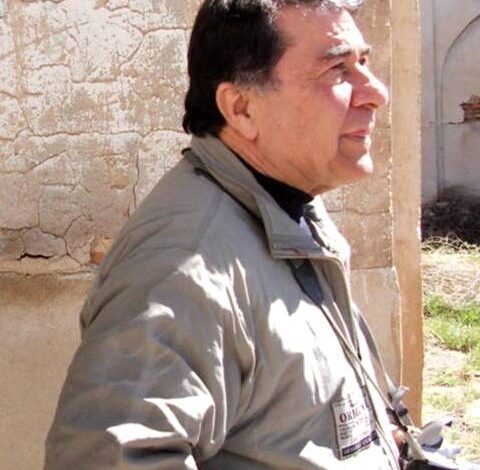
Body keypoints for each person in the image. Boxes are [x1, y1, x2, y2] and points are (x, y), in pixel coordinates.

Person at [44, 0, 399, 468]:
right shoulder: (183, 264)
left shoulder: (284, 205)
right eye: (337, 70)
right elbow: (105, 457)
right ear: (241, 108)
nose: (375, 92)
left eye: (364, 62)